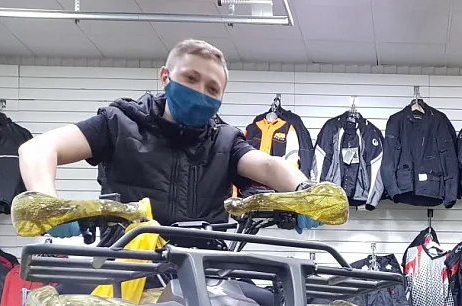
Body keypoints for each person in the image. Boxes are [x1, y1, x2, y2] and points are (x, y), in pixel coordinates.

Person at [18, 38, 318, 236]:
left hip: (208, 273)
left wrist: (307, 193)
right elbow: (38, 148)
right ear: (166, 77)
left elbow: (268, 165)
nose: (200, 91)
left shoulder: (226, 141)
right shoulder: (119, 123)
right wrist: (48, 205)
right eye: (190, 78)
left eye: (212, 88)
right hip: (125, 270)